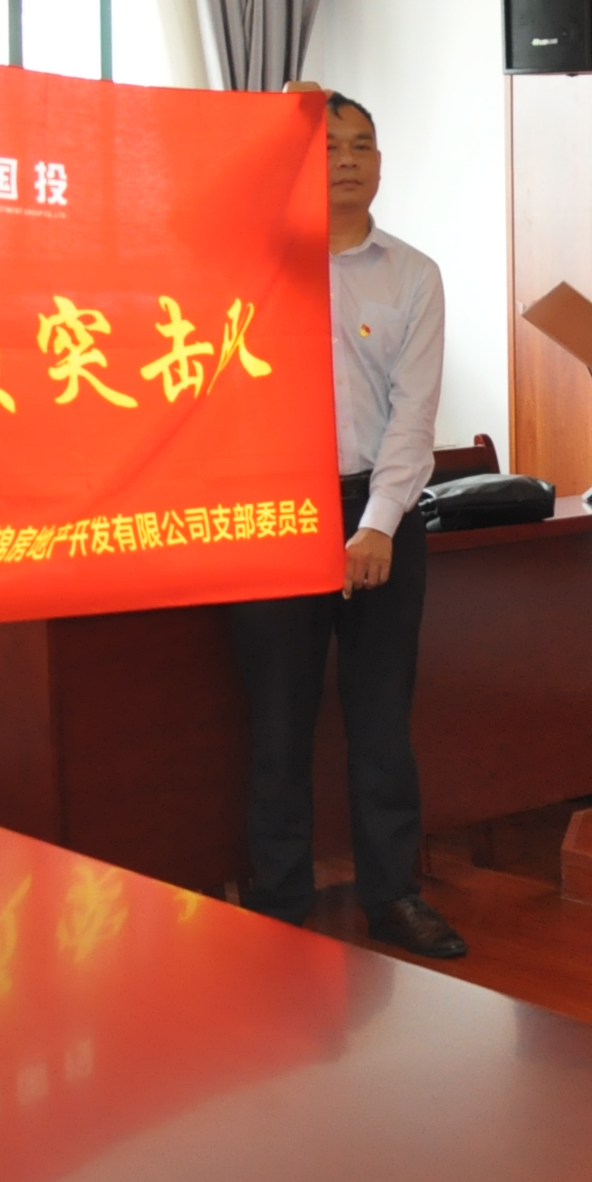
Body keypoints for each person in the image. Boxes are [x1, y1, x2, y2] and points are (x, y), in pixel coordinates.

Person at [228, 87, 464, 959]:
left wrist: (378, 524)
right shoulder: (251, 263)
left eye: (362, 145)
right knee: (277, 723)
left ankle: (393, 895)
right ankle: (279, 903)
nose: (348, 160)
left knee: (382, 720)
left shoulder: (413, 275)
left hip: (380, 512)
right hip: (273, 514)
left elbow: (414, 414)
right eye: (327, 147)